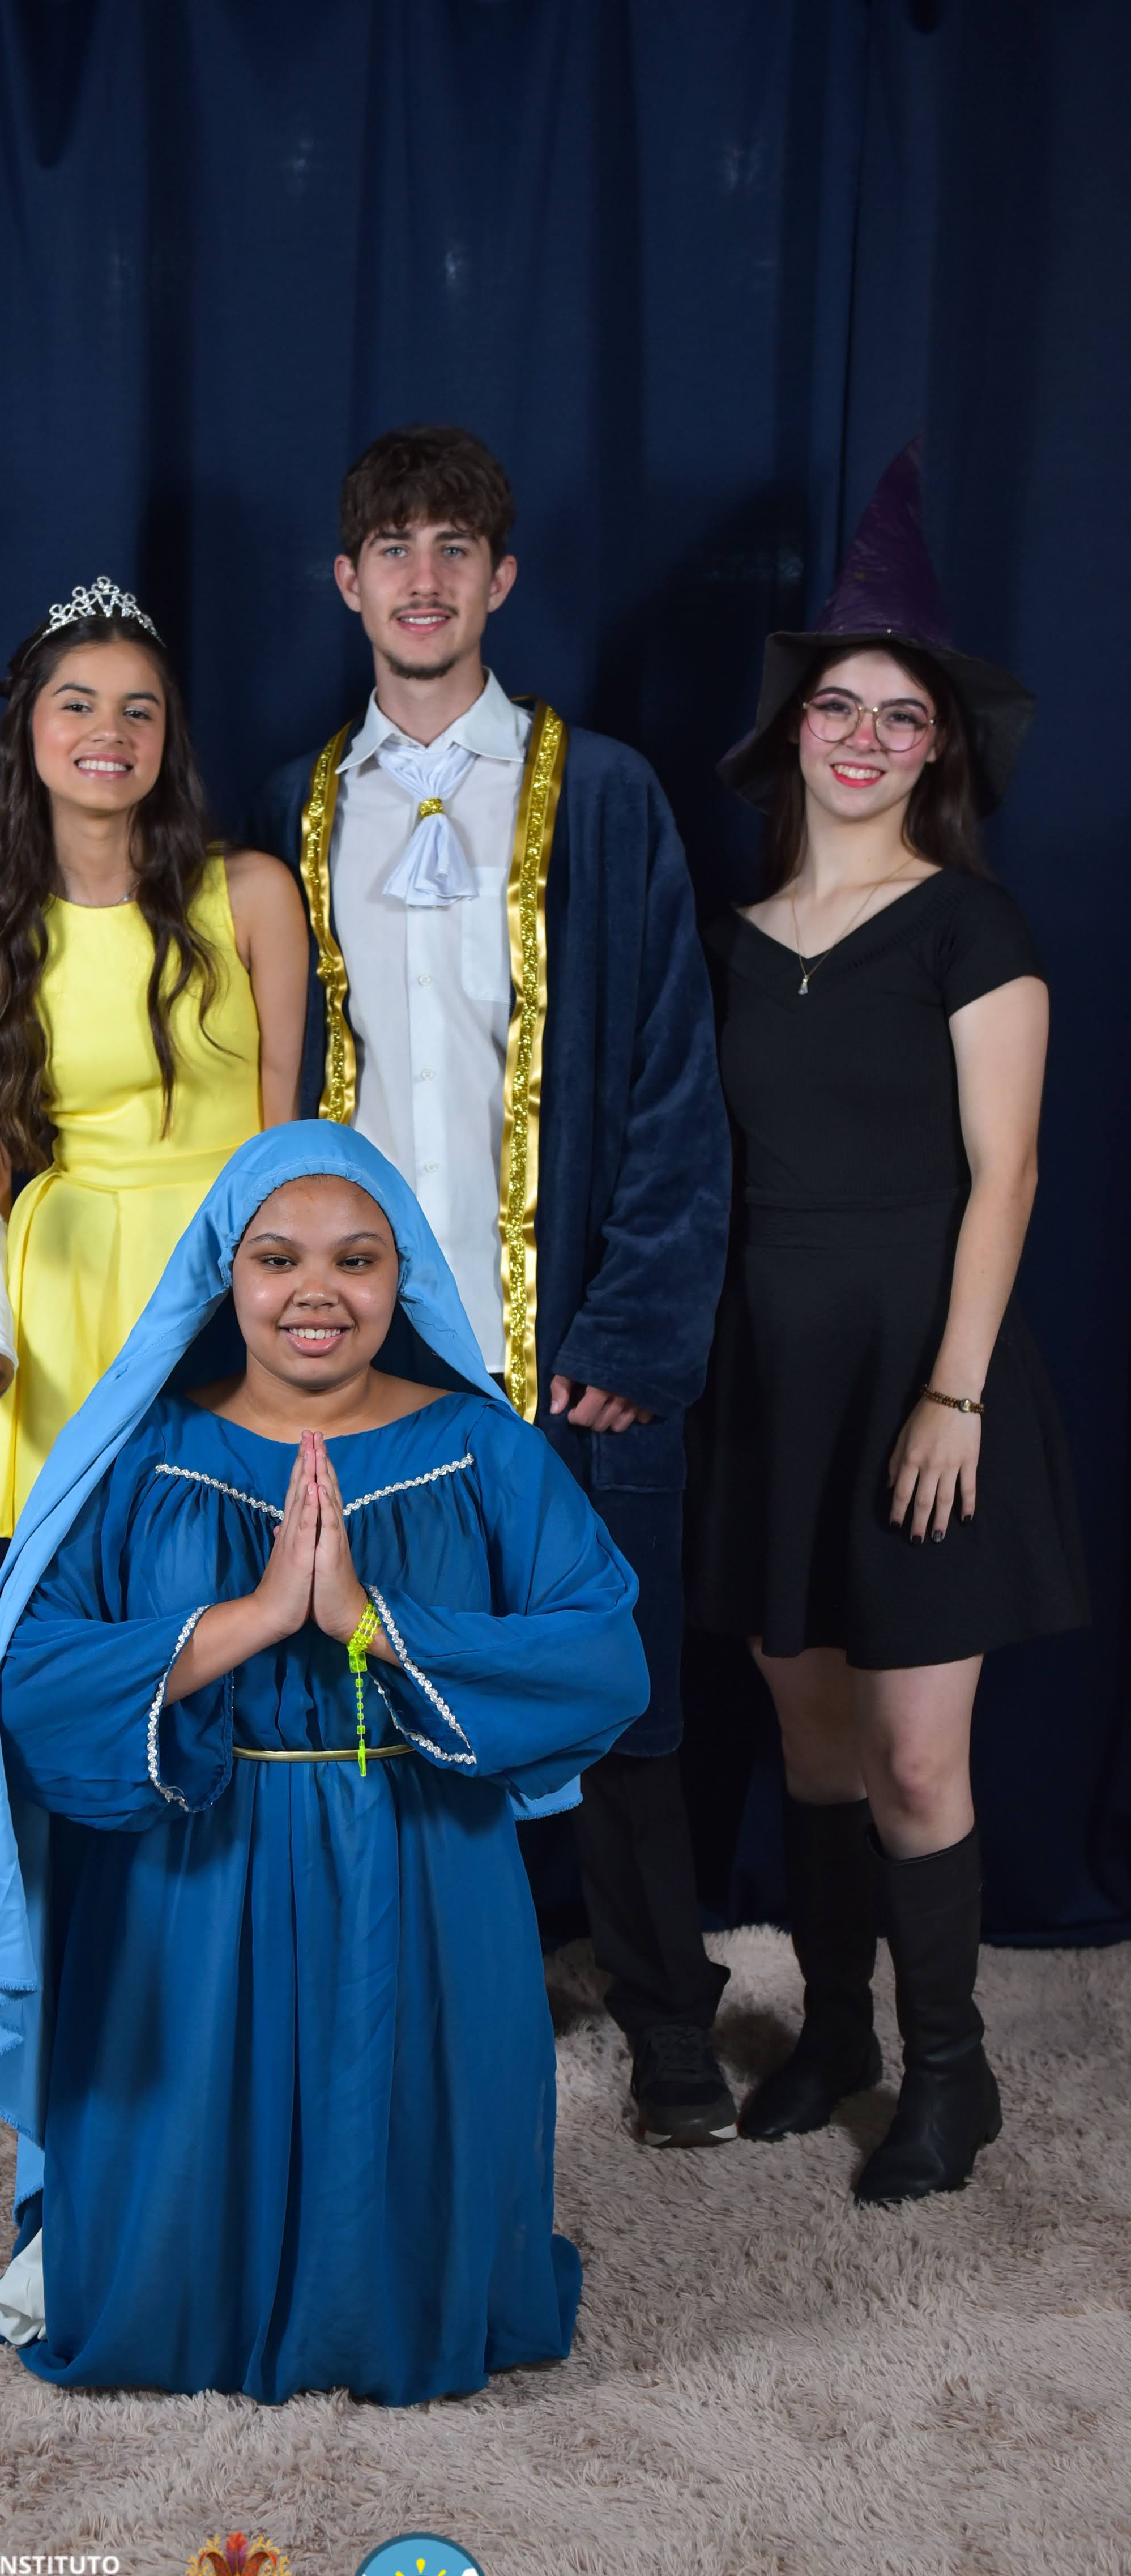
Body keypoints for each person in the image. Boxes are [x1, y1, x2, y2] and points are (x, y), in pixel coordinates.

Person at [0, 1124, 648, 2402]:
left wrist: (369, 1622)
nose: (316, 1292)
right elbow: (31, 1685)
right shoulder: (143, 1451)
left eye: (355, 1260)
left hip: (421, 1864)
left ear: (403, 1277)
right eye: (278, 1259)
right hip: (189, 1877)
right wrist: (258, 1618)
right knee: (186, 2150)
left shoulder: (481, 1449)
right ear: (225, 1273)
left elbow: (601, 1657)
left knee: (402, 2107)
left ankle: (377, 2312)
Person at [243, 427, 735, 2149]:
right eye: (392, 548)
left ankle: (667, 2020)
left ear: (501, 579)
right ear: (345, 581)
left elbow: (672, 1076)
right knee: (384, 1659)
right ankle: (431, 2001)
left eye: (455, 547)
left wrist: (638, 1325)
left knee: (617, 1678)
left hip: (573, 1332)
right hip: (374, 1346)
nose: (424, 578)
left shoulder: (601, 794)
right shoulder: (296, 810)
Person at [689, 441, 1087, 2203]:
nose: (862, 737)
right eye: (837, 706)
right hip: (772, 1380)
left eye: (898, 717)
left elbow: (1006, 1175)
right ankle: (833, 2033)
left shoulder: (967, 926)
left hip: (926, 1383)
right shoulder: (728, 936)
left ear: (937, 751)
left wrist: (956, 1393)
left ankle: (950, 2073)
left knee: (920, 1758)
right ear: (793, 732)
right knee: (814, 1746)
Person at [0, 578, 306, 1536]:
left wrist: (284, 1292)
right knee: (88, 1582)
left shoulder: (254, 895)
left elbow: (286, 1135)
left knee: (239, 1562)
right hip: (68, 1294)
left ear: (168, 739)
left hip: (223, 1274)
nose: (112, 730)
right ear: (30, 733)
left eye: (141, 710)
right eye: (79, 704)